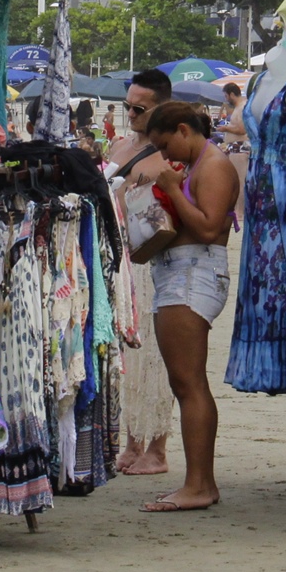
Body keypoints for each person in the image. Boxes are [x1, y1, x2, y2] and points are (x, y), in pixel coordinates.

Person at [139, 100, 241, 512]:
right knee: (187, 383)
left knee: (189, 383)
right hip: (183, 273)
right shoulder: (200, 164)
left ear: (184, 130)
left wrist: (171, 189)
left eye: (166, 145)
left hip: (192, 273)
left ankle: (198, 484)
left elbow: (209, 227)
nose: (165, 155)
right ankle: (201, 483)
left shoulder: (214, 165)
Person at [108, 68, 176, 476]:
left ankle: (158, 447)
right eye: (127, 106)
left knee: (156, 356)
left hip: (149, 261)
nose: (131, 114)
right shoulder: (119, 146)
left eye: (140, 109)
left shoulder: (166, 155)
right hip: (118, 258)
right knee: (128, 357)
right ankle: (132, 441)